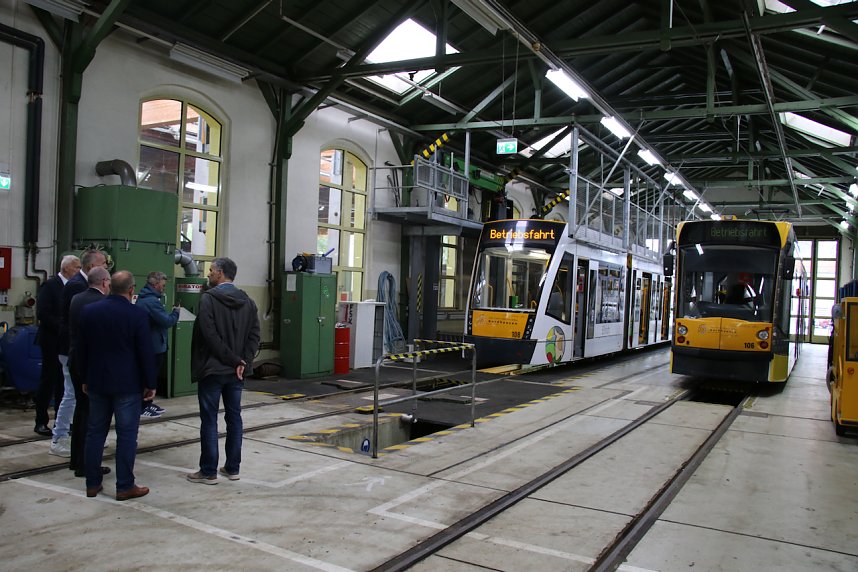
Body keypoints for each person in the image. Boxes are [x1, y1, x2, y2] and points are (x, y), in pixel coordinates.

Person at [78, 270, 155, 501]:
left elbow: (81, 349)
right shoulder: (137, 315)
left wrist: (84, 378)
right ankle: (124, 486)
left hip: (97, 382)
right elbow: (145, 353)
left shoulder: (89, 312)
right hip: (127, 385)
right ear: (131, 290)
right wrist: (150, 383)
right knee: (127, 435)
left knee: (95, 433)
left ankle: (92, 484)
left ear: (109, 286)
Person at [187, 257, 259, 484]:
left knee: (209, 420)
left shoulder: (208, 299)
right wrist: (242, 362)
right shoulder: (248, 301)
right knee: (234, 417)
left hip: (212, 370)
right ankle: (232, 468)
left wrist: (234, 359)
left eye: (210, 270)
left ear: (219, 272)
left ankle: (208, 471)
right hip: (235, 372)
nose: (208, 274)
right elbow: (254, 336)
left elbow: (209, 336)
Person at [51, 249, 108, 457]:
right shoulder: (77, 286)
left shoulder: (79, 285)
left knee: (77, 396)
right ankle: (60, 437)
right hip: (71, 349)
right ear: (92, 267)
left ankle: (81, 437)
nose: (107, 268)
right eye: (103, 264)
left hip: (76, 348)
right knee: (71, 394)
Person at [67, 267, 112, 478]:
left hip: (75, 360)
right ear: (104, 283)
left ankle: (76, 459)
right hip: (93, 365)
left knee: (81, 411)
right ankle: (87, 464)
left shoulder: (76, 299)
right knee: (94, 417)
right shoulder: (101, 304)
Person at [33, 255, 80, 437]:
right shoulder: (51, 286)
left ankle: (62, 422)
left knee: (64, 383)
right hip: (51, 340)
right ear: (66, 268)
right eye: (76, 267)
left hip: (65, 342)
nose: (77, 270)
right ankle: (41, 421)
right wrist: (63, 327)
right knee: (48, 379)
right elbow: (43, 313)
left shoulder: (73, 287)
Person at [135, 271, 179, 418]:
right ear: (155, 284)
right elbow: (166, 321)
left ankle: (147, 403)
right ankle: (144, 405)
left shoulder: (147, 299)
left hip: (153, 343)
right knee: (149, 377)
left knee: (150, 376)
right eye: (162, 285)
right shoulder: (151, 302)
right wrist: (176, 313)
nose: (163, 288)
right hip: (154, 346)